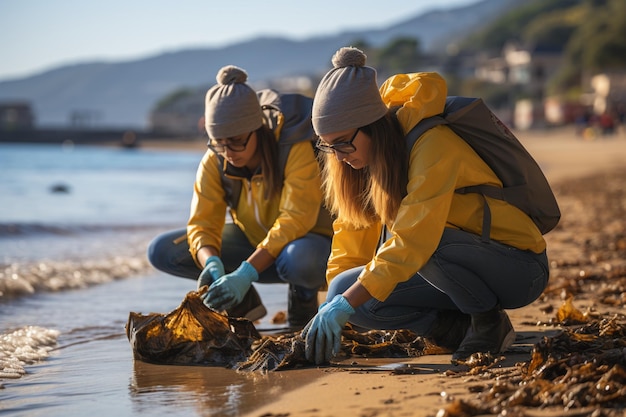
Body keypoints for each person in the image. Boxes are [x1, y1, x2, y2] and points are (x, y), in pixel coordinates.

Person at [302, 47, 550, 364]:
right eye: (327, 145)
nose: (337, 155)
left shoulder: (432, 143)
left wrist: (348, 302)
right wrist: (335, 304)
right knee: (341, 288)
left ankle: (489, 323)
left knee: (422, 247)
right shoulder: (363, 159)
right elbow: (352, 230)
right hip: (446, 263)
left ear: (372, 126)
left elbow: (415, 239)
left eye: (342, 143)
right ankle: (454, 328)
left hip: (518, 267)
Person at [148, 65, 333, 328]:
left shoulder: (293, 148)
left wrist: (246, 272)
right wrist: (210, 262)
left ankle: (302, 297)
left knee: (301, 259)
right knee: (163, 251)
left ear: (256, 129)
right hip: (254, 244)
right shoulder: (216, 159)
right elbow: (202, 224)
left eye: (235, 141)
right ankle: (244, 305)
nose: (228, 152)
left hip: (305, 247)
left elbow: (296, 218)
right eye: (219, 142)